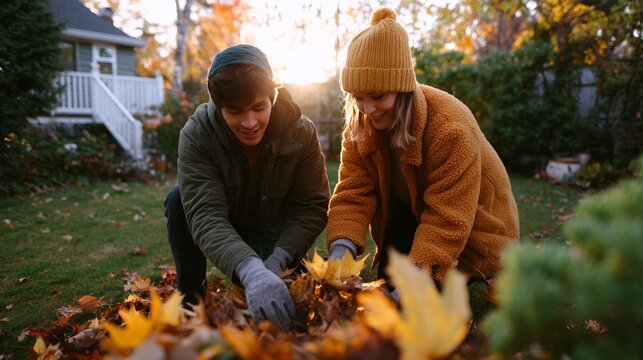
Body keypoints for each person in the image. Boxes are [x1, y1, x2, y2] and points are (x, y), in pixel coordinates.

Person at [326, 8, 520, 297]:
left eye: (378, 96)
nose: (367, 108)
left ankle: (466, 278)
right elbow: (352, 191)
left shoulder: (450, 128)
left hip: (475, 232)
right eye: (358, 97)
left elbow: (448, 219)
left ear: (401, 88)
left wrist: (411, 287)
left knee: (422, 299)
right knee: (390, 284)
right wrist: (340, 250)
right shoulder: (362, 124)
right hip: (413, 214)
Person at [164, 44, 330, 330]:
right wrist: (251, 271)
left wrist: (278, 259)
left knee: (297, 314)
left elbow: (312, 206)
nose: (250, 122)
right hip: (233, 231)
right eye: (236, 111)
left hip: (283, 241)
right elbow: (204, 212)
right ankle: (191, 303)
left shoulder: (302, 132)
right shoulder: (196, 135)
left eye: (259, 107)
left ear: (273, 97)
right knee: (178, 200)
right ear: (218, 106)